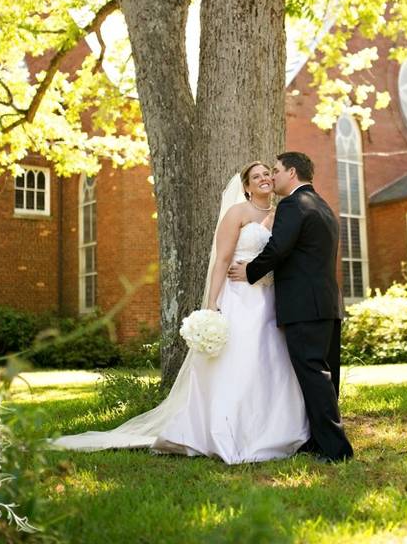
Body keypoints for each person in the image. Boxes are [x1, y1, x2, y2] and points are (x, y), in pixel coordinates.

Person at [46, 161, 309, 464]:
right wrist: (211, 305)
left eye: (267, 174)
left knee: (270, 361)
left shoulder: (280, 215)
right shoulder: (237, 213)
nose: (263, 179)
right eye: (256, 177)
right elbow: (222, 260)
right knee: (239, 360)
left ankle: (272, 430)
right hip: (238, 299)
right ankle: (226, 431)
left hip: (269, 298)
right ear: (247, 186)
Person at [227, 151, 354, 463]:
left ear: (292, 173)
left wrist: (250, 272)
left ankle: (336, 449)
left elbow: (278, 248)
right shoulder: (322, 206)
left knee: (314, 375)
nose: (273, 176)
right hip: (326, 303)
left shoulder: (293, 205)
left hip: (303, 305)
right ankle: (318, 440)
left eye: (277, 170)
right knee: (325, 376)